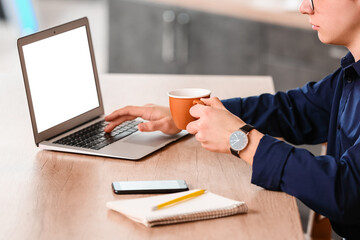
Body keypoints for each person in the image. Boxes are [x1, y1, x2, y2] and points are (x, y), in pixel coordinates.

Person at [104, 0, 360, 238]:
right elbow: (293, 109)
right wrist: (189, 114)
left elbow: (346, 193)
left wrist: (243, 141)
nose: (305, 7)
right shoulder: (350, 75)